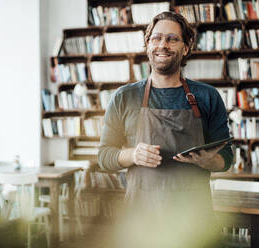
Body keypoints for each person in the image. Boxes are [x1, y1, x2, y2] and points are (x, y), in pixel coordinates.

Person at [98, 11, 233, 247]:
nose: (163, 45)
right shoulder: (124, 97)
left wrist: (207, 161)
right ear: (148, 45)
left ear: (187, 47)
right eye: (156, 38)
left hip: (194, 223)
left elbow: (227, 158)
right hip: (142, 223)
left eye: (172, 39)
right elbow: (104, 157)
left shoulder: (207, 96)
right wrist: (133, 154)